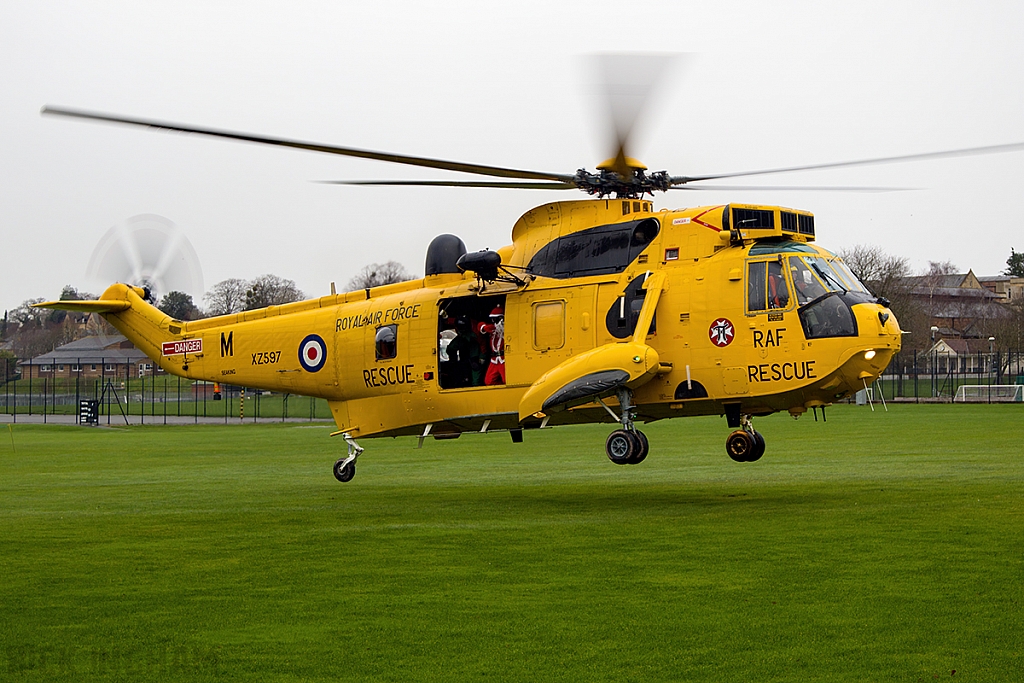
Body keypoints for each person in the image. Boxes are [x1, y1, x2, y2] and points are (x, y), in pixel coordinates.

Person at [445, 317, 485, 387]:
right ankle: (453, 363)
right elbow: (446, 320)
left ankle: (476, 385)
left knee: (475, 364)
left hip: (474, 344)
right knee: (451, 348)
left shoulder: (476, 329)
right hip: (462, 339)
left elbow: (483, 344)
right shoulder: (454, 321)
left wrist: (482, 357)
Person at [476, 305, 506, 385]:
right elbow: (480, 326)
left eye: (496, 319)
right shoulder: (492, 328)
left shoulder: (507, 328)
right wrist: (485, 327)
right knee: (489, 381)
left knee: (506, 380)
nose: (493, 321)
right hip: (494, 360)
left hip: (504, 359)